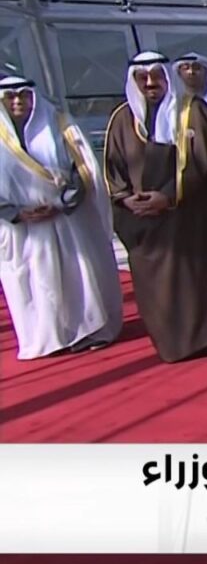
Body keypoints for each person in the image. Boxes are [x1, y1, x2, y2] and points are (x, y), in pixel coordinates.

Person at [103, 51, 207, 362]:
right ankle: (175, 341)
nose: (150, 83)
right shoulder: (122, 119)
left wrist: (168, 196)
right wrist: (125, 198)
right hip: (145, 219)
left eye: (157, 76)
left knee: (202, 276)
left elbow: (205, 161)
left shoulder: (192, 111)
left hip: (192, 213)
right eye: (142, 78)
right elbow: (113, 168)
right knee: (159, 285)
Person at [0, 75, 122, 359]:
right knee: (33, 281)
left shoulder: (60, 124)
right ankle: (46, 338)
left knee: (77, 277)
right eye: (10, 97)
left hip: (66, 219)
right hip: (20, 227)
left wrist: (62, 203)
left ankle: (88, 332)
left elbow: (84, 169)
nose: (18, 102)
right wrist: (16, 212)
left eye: (23, 95)